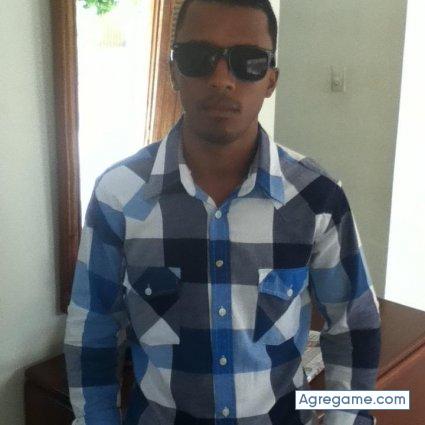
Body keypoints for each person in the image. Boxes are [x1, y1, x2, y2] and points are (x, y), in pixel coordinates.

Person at [63, 0, 381, 424]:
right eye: (198, 57)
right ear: (172, 71)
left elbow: (353, 326)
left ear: (271, 80)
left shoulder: (316, 198)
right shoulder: (118, 195)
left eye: (248, 61)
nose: (221, 79)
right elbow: (93, 330)